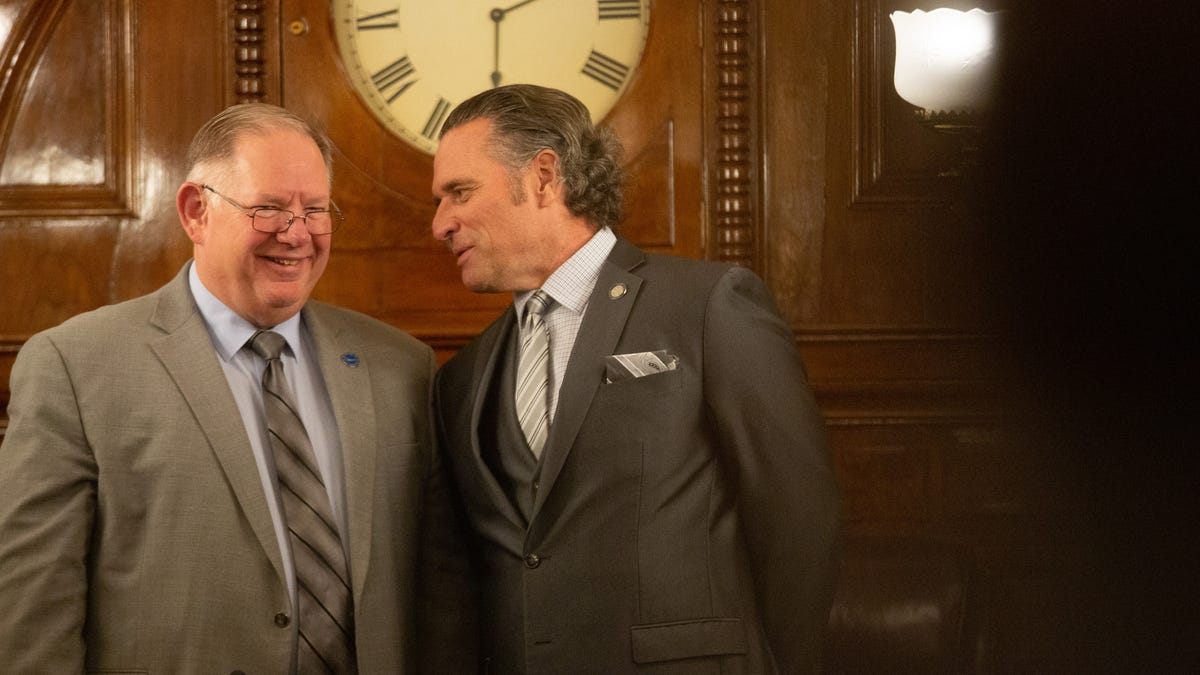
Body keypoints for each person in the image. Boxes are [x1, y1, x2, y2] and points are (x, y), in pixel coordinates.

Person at [0, 103, 473, 673]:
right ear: (196, 211)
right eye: (268, 208)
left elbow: (442, 591)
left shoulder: (401, 366)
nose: (297, 234)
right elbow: (32, 610)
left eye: (315, 210)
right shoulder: (75, 365)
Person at [430, 84, 842, 673]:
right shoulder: (462, 379)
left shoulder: (708, 306)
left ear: (545, 176)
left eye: (459, 193)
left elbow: (800, 517)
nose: (441, 224)